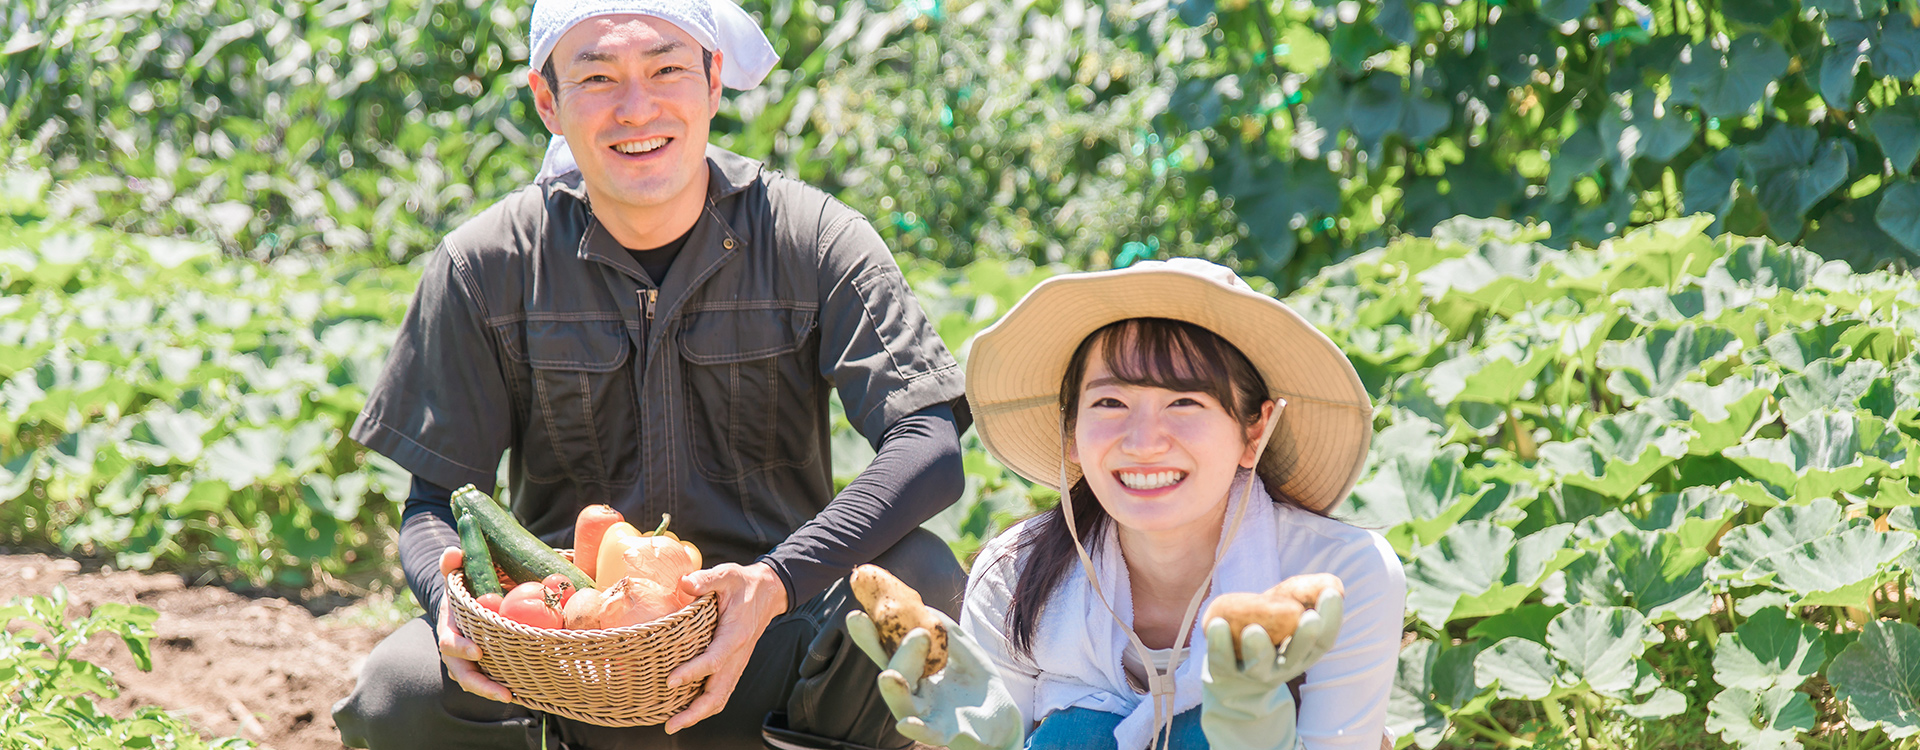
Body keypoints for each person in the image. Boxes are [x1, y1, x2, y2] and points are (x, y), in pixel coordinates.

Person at [329, 0, 972, 747]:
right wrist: (450, 601)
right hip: (560, 663)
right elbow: (433, 500)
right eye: (597, 77)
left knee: (917, 578)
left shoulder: (813, 238)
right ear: (549, 101)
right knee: (397, 689)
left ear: (713, 82)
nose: (637, 108)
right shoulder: (486, 265)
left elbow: (928, 443)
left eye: (667, 68)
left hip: (774, 649)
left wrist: (774, 582)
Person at [848, 257, 1406, 750]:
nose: (1143, 441)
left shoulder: (1345, 574)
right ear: (1070, 430)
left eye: (1185, 401)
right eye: (1111, 401)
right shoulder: (1013, 576)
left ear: (1254, 431)